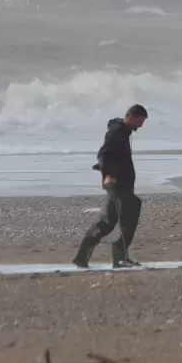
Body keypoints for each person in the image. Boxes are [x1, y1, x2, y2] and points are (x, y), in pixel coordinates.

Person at [72, 104, 148, 269]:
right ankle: (120, 255)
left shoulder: (122, 132)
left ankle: (81, 257)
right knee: (131, 211)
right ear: (132, 117)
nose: (141, 126)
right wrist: (107, 174)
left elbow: (111, 155)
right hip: (117, 184)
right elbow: (103, 154)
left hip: (118, 185)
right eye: (140, 121)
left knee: (107, 222)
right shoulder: (117, 132)